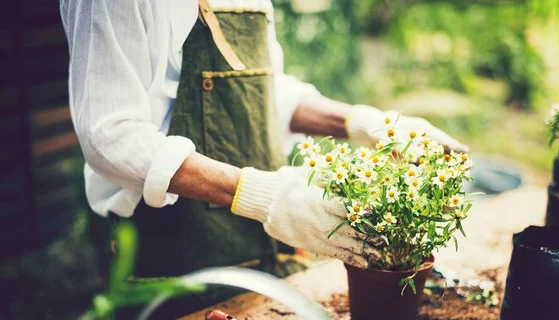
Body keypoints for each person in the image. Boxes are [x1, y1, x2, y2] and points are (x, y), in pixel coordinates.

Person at [59, 0, 467, 300]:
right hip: (175, 252)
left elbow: (268, 93)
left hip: (261, 244)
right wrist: (264, 196)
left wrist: (364, 123)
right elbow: (110, 134)